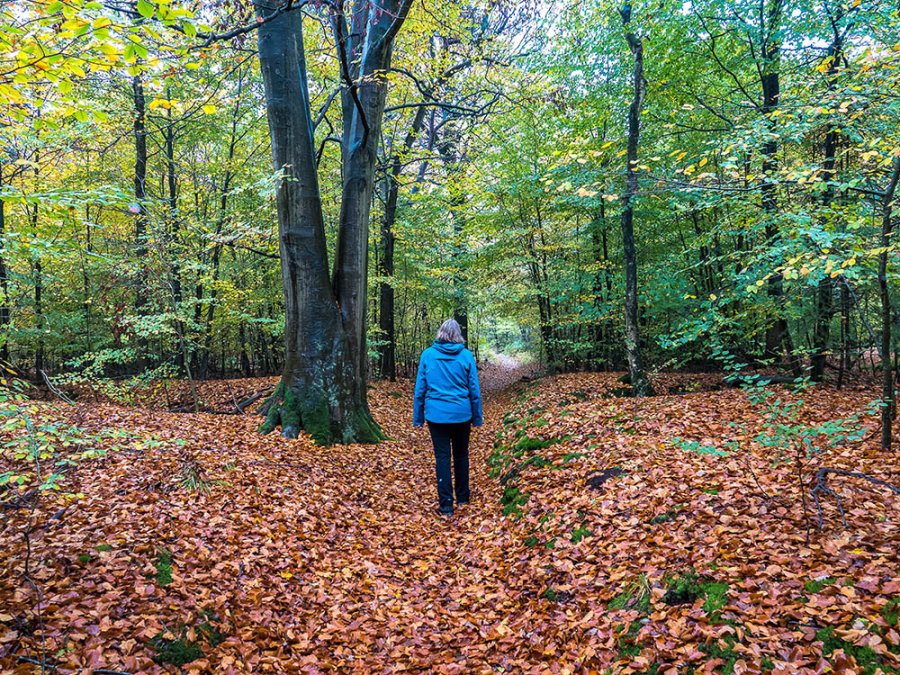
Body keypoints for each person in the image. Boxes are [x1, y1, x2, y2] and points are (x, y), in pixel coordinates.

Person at [413, 319, 483, 516]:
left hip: (437, 416)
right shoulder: (466, 356)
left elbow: (420, 389)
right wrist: (477, 417)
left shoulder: (428, 355)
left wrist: (418, 417)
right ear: (458, 334)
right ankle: (462, 498)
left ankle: (446, 506)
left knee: (442, 458)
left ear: (440, 333)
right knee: (461, 455)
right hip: (462, 414)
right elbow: (474, 391)